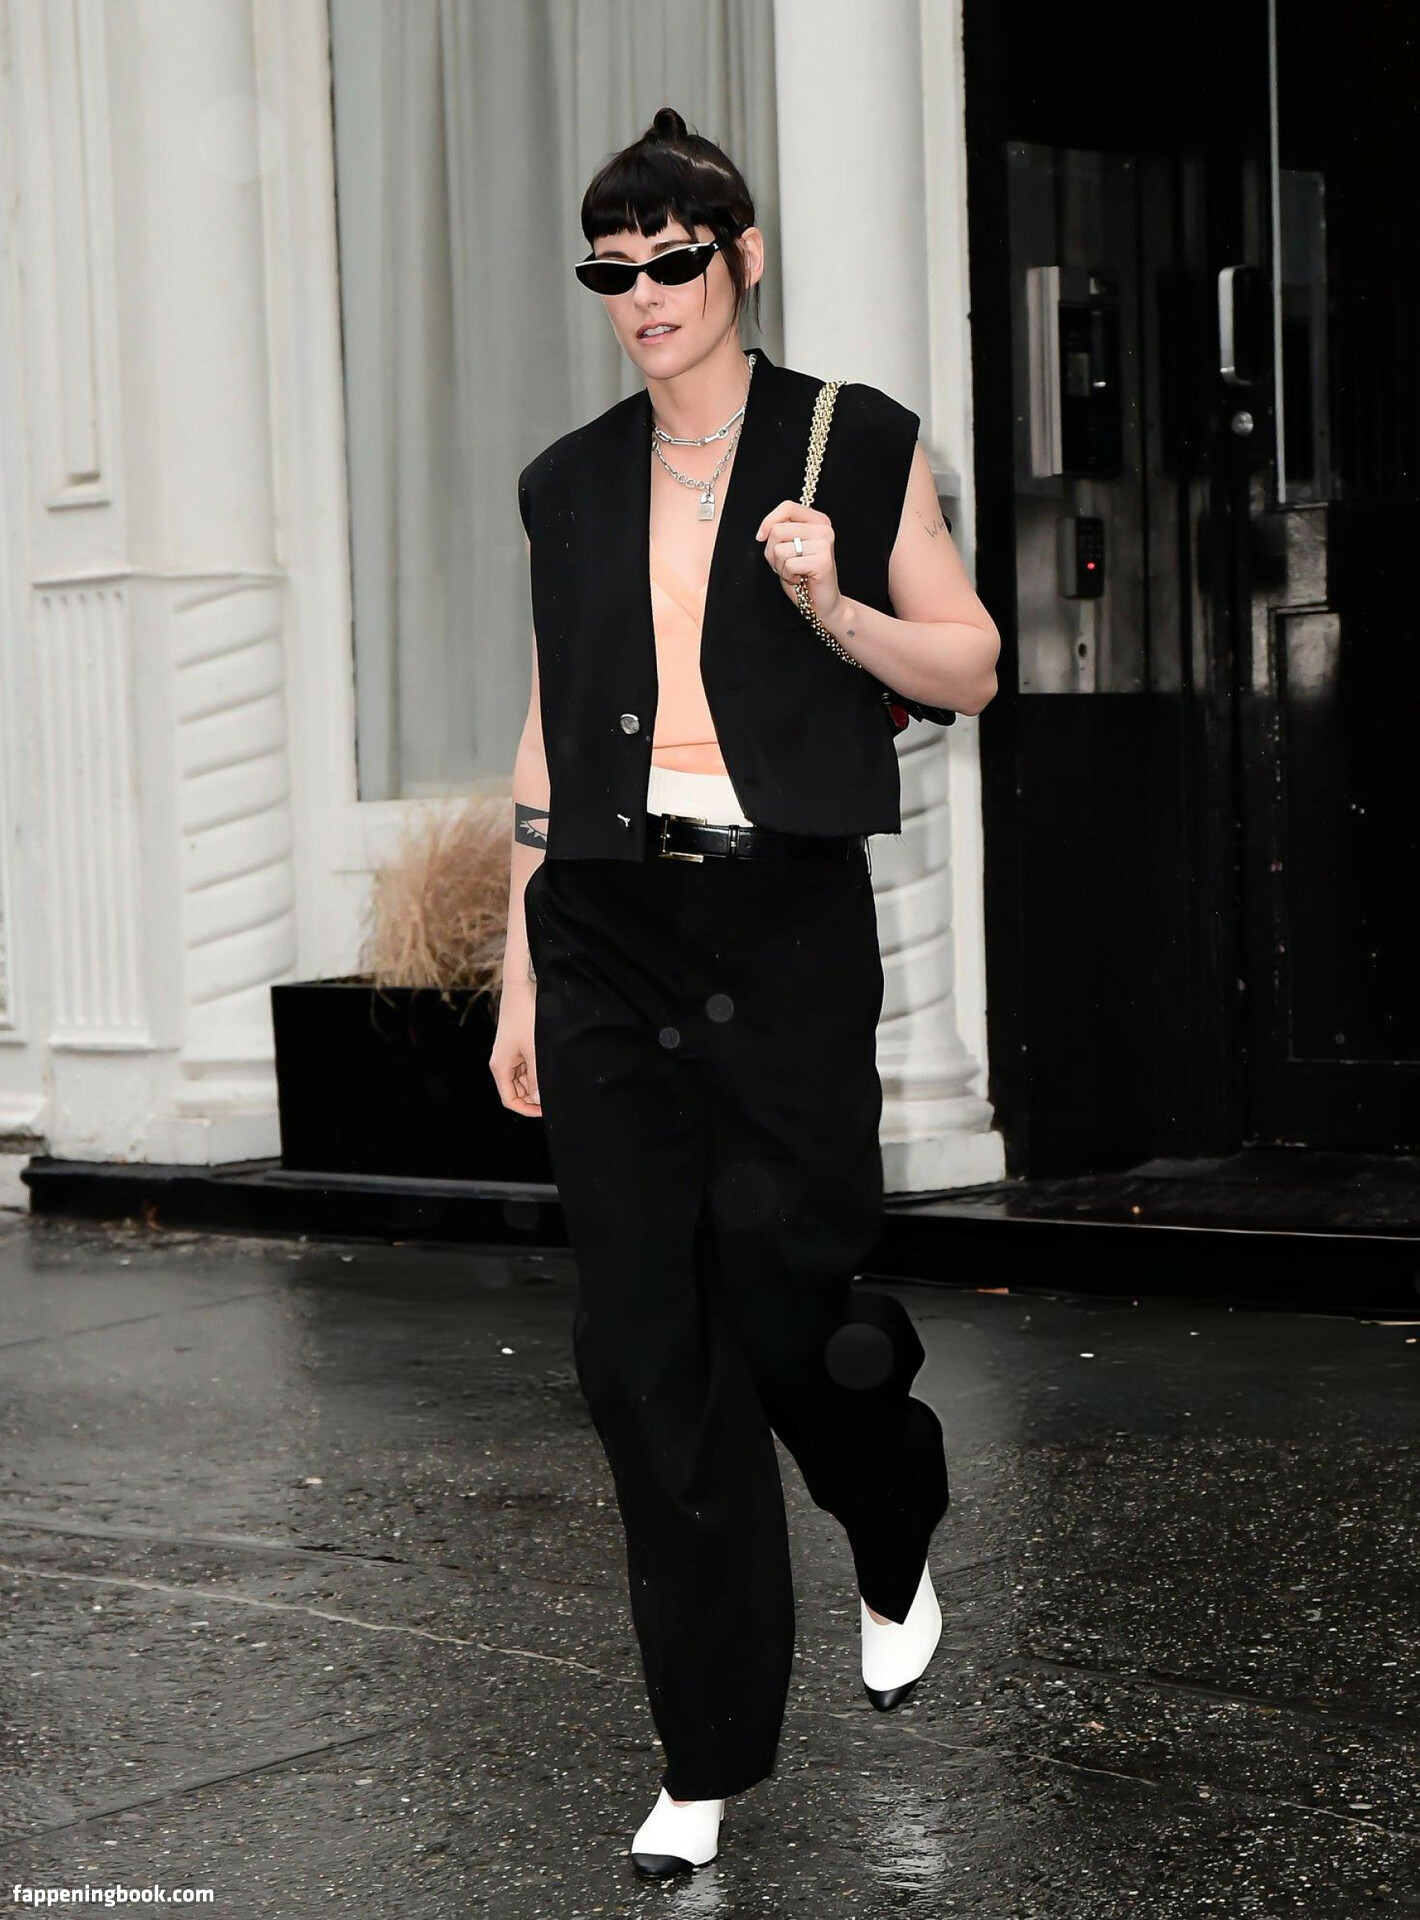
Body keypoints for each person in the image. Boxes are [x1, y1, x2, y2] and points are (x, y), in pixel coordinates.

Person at [490, 105, 999, 1878]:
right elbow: (549, 731)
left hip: (779, 923)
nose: (644, 296)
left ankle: (889, 1501)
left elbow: (972, 665)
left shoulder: (853, 441)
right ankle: (702, 1755)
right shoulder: (566, 483)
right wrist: (520, 965)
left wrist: (835, 607)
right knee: (644, 1352)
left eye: (674, 261)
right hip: (606, 925)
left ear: (742, 259)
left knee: (791, 1309)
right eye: (610, 271)